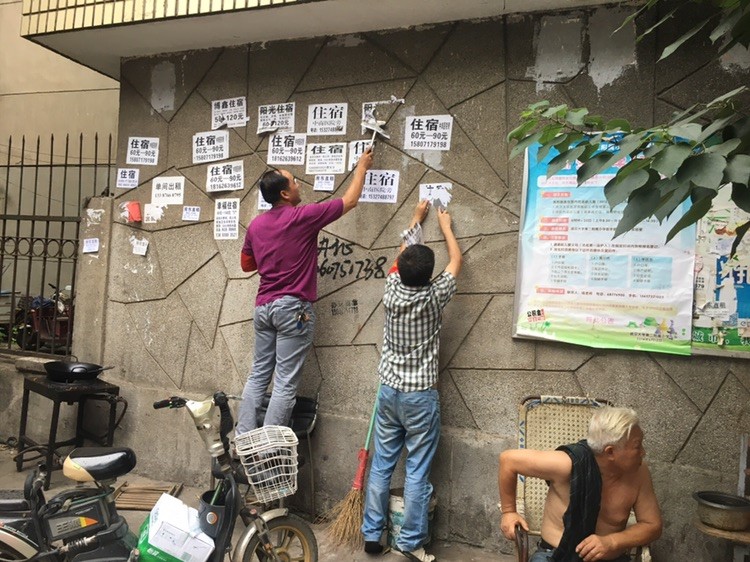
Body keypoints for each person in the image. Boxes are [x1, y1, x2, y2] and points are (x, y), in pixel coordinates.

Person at [235, 147, 374, 435]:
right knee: (285, 382)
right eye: (294, 181)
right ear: (285, 193)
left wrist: (272, 256)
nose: (298, 184)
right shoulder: (302, 217)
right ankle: (269, 446)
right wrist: (362, 166)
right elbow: (350, 201)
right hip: (292, 308)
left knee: (258, 375)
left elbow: (247, 265)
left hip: (263, 308)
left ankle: (243, 438)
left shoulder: (256, 225)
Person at [361, 200, 462, 562]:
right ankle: (409, 542)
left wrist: (415, 221)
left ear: (400, 270)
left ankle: (372, 534)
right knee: (417, 469)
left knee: (382, 464)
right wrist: (446, 227)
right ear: (428, 274)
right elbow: (456, 262)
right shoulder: (435, 297)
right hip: (420, 397)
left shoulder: (390, 290)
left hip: (389, 393)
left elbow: (401, 254)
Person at [498, 406, 662, 562]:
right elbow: (508, 460)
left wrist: (612, 542)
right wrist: (509, 512)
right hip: (556, 555)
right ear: (610, 452)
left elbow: (652, 526)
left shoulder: (639, 472)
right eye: (637, 446)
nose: (643, 452)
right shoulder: (568, 464)